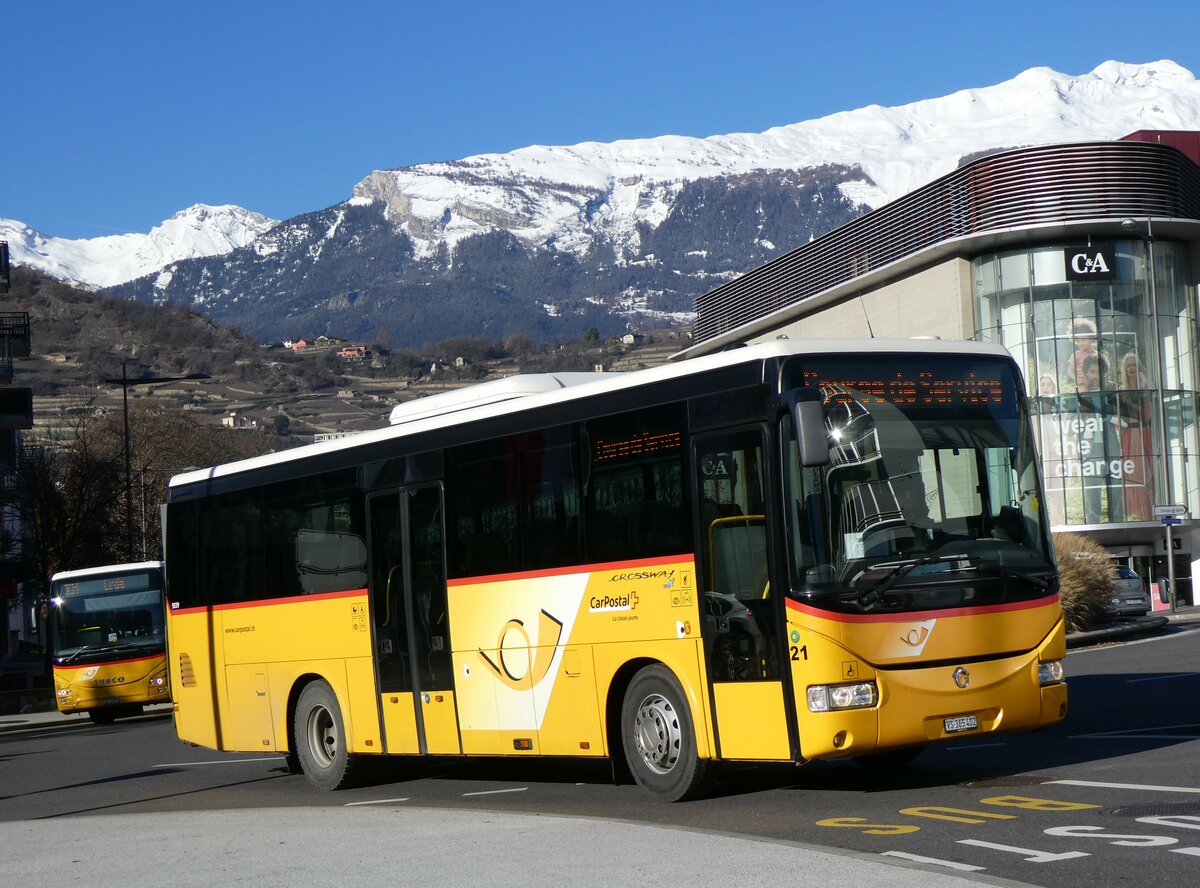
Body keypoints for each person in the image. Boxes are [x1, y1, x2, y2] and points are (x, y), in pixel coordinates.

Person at [1118, 351, 1155, 520]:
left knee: (1148, 472)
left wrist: (1145, 377)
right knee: (1132, 473)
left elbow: (1149, 410)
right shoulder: (1121, 391)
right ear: (1124, 369)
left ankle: (1150, 511)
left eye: (1134, 365)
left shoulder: (1145, 388)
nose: (1131, 368)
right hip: (1130, 434)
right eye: (1128, 365)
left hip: (1144, 431)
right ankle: (1138, 514)